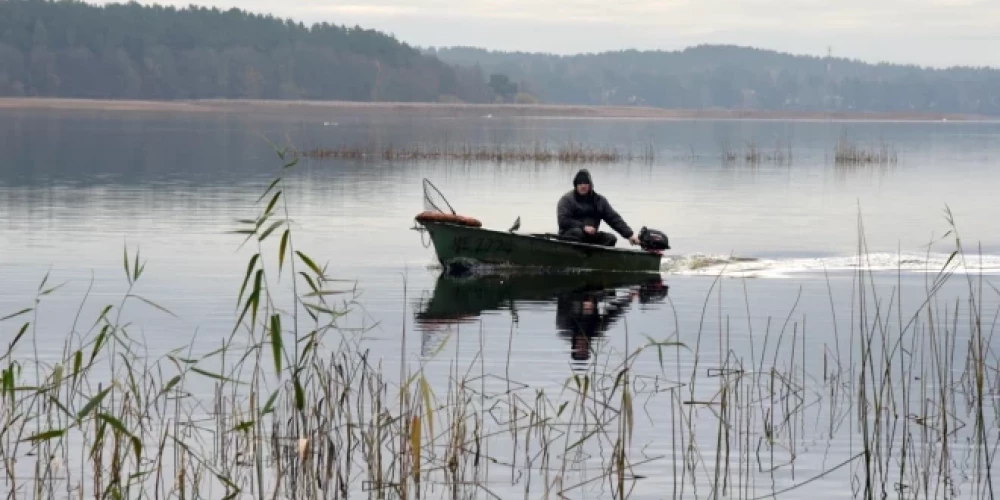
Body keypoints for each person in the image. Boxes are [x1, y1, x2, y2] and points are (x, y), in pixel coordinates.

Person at [557, 169, 639, 247]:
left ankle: (596, 258)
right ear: (576, 185)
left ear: (590, 185)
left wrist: (629, 235)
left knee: (611, 238)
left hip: (590, 236)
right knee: (578, 233)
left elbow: (613, 218)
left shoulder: (599, 201)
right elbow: (563, 221)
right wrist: (583, 227)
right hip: (569, 236)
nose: (583, 186)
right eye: (580, 183)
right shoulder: (567, 200)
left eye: (585, 183)